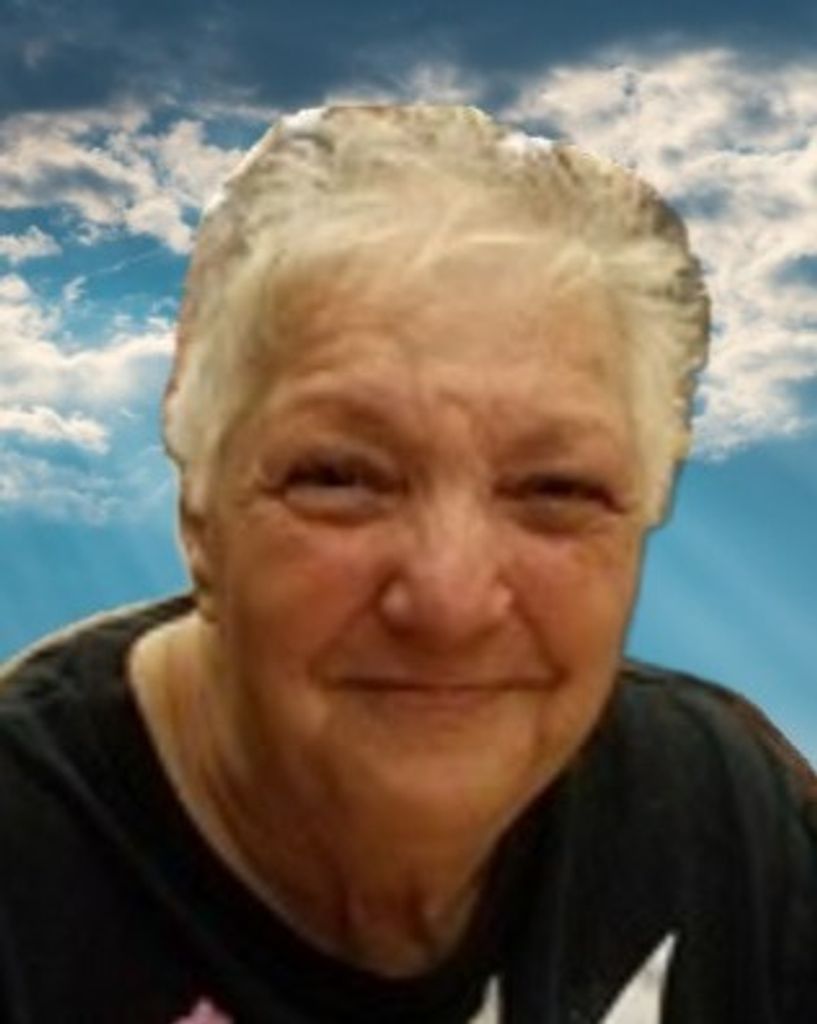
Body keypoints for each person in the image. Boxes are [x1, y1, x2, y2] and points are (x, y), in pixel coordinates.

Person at [0, 103, 814, 1024]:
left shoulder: (722, 816)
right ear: (198, 515)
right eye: (340, 478)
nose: (449, 600)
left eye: (556, 488)